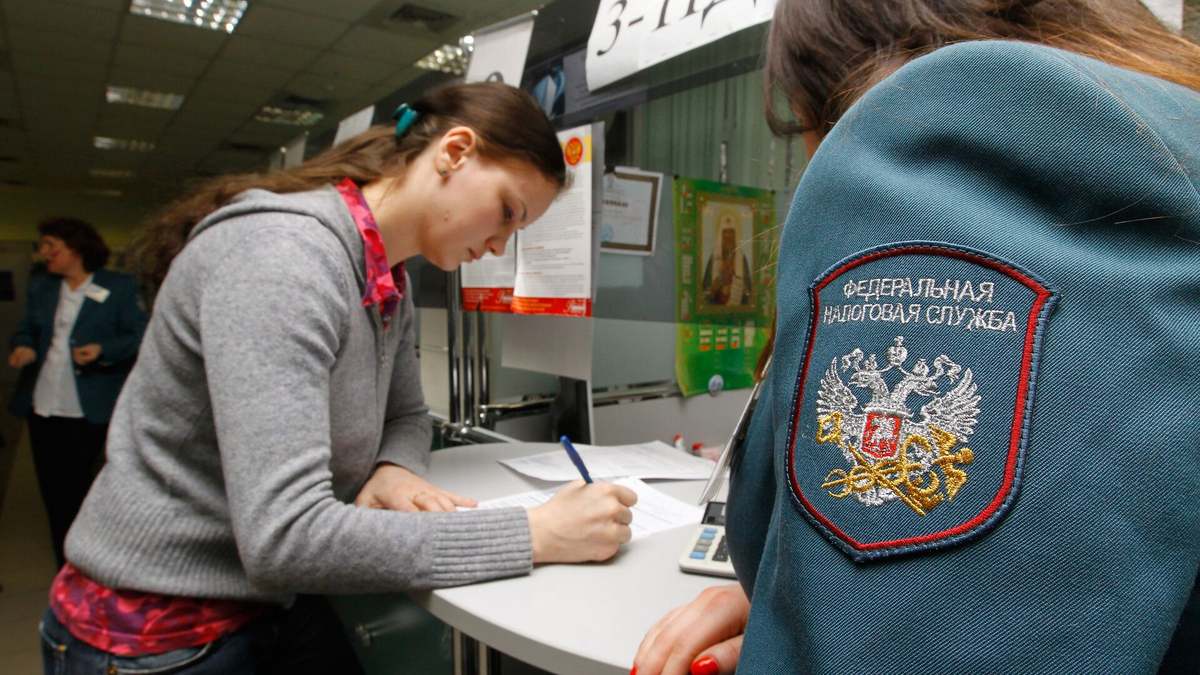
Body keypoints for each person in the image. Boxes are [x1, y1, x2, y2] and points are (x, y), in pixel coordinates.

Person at [633, 1, 1200, 674]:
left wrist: (836, 625)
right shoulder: (1159, 145)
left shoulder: (942, 141)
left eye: (803, 126)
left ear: (839, 85)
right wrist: (804, 598)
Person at [39, 82, 638, 674]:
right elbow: (285, 537)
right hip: (157, 626)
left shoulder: (386, 274)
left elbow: (406, 414)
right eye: (507, 212)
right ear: (454, 152)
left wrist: (394, 467)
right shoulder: (284, 257)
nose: (500, 245)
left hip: (262, 599)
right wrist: (533, 534)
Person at [8, 217, 146, 569]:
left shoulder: (117, 287)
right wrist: (24, 347)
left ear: (76, 248)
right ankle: (65, 566)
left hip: (89, 408)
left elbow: (137, 335)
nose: (44, 253)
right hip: (43, 405)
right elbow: (27, 330)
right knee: (52, 491)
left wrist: (102, 349)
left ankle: (87, 561)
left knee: (77, 488)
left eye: (51, 245)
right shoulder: (43, 287)